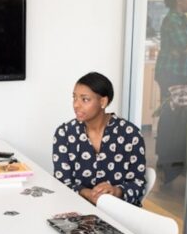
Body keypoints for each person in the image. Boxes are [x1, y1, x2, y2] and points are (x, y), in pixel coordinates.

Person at [52, 72, 147, 206]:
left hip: (120, 213)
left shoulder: (130, 135)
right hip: (78, 210)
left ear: (103, 101)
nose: (76, 105)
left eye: (84, 99)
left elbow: (138, 184)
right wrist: (87, 194)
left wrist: (116, 191)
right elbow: (62, 182)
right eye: (74, 98)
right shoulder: (64, 134)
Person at [154, 0, 187, 103]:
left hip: (180, 72)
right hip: (171, 73)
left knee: (177, 111)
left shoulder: (184, 19)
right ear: (179, 0)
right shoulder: (173, 20)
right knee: (171, 112)